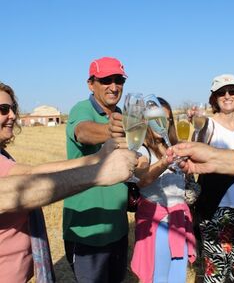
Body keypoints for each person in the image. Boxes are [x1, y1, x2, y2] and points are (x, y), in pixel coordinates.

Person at [0, 82, 137, 283]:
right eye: (3, 109)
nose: (12, 115)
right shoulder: (82, 109)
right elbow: (12, 192)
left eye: (13, 109)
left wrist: (98, 158)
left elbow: (31, 172)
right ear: (91, 84)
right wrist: (98, 173)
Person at [63, 57, 129, 283]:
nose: (114, 86)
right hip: (87, 231)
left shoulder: (121, 112)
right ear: (91, 84)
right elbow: (82, 131)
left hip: (118, 228)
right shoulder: (81, 109)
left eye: (118, 80)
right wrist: (110, 130)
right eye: (106, 80)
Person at [189, 74, 234, 282]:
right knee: (216, 269)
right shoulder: (208, 125)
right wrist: (198, 126)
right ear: (214, 99)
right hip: (215, 206)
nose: (227, 96)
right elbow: (198, 147)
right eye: (221, 92)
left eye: (232, 91)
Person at [129, 97, 196, 283]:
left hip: (179, 221)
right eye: (155, 119)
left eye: (166, 119)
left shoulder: (174, 147)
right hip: (158, 224)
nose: (161, 124)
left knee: (178, 274)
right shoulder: (142, 150)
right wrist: (165, 161)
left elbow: (184, 181)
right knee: (159, 275)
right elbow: (142, 179)